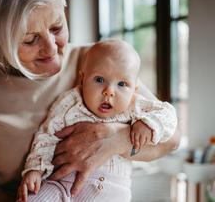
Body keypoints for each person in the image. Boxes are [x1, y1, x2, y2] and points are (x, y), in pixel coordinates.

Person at [0, 0, 180, 201]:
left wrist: (119, 139)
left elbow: (172, 137)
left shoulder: (98, 61)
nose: (51, 49)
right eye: (30, 40)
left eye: (56, 27)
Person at [17, 40, 177, 202]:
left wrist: (149, 123)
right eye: (99, 80)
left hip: (112, 192)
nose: (109, 92)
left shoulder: (135, 105)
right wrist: (35, 170)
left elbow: (168, 113)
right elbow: (46, 135)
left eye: (122, 84)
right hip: (61, 184)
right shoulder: (69, 102)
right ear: (82, 79)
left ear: (134, 90)